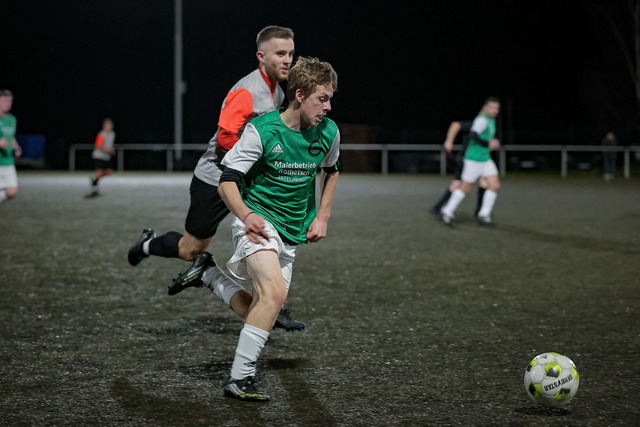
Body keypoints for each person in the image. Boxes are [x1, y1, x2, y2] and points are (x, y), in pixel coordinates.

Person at [127, 26, 303, 331]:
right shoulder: (247, 91)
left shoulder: (278, 89)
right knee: (190, 250)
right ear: (261, 56)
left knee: (264, 234)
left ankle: (270, 302)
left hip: (246, 181)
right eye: (280, 53)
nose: (288, 60)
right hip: (215, 178)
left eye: (290, 53)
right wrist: (253, 167)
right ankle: (147, 246)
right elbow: (225, 141)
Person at [203, 56, 339, 401]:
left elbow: (332, 170)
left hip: (293, 231)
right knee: (275, 294)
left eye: (330, 99)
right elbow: (227, 181)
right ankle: (239, 379)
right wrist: (246, 214)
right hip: (258, 222)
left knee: (264, 307)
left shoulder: (328, 132)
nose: (328, 106)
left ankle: (210, 275)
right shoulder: (262, 130)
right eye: (322, 98)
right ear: (299, 95)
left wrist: (322, 217)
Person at [440, 97, 501, 227]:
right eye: (491, 107)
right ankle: (447, 210)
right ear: (485, 108)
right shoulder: (482, 120)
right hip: (474, 159)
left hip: (485, 159)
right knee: (465, 187)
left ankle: (484, 214)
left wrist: (493, 142)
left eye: (496, 108)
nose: (494, 110)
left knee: (494, 185)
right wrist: (488, 143)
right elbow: (473, 135)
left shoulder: (491, 120)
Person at [430, 119, 488, 217]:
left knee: (484, 182)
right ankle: (438, 208)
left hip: (479, 161)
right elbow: (455, 125)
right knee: (459, 184)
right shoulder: (475, 125)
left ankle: (480, 211)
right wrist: (449, 141)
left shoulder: (488, 130)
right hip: (466, 160)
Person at [0, 89, 22, 204]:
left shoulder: (12, 119)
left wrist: (16, 147)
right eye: (4, 101)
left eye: (9, 101)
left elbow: (11, 137)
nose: (7, 104)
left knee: (12, 191)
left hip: (8, 162)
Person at [87, 118, 116, 198]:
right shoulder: (101, 134)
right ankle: (94, 190)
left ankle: (94, 179)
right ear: (104, 126)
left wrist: (112, 150)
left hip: (106, 157)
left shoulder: (112, 134)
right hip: (98, 156)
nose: (109, 126)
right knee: (99, 172)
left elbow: (110, 145)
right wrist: (107, 150)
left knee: (109, 172)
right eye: (108, 125)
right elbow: (98, 146)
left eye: (110, 124)